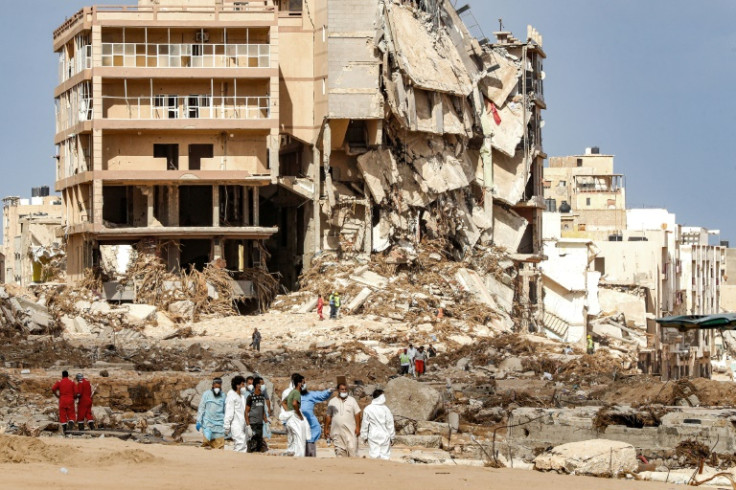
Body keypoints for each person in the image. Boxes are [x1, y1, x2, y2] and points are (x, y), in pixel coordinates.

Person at [325, 383, 362, 457]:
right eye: (342, 389)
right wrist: (326, 429)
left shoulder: (352, 400)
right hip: (337, 433)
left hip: (351, 433)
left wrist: (358, 427)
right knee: (340, 455)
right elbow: (328, 416)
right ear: (338, 390)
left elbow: (357, 413)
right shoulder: (332, 402)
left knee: (353, 454)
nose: (344, 391)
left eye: (345, 389)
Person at [279, 374, 310, 457]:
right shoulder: (296, 393)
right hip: (295, 419)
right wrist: (299, 414)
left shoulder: (291, 392)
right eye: (303, 383)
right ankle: (299, 457)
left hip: (290, 419)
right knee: (300, 440)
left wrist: (289, 411)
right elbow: (294, 403)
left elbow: (283, 402)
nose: (304, 385)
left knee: (294, 440)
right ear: (299, 383)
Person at [360, 389, 395, 460]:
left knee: (374, 455)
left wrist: (364, 436)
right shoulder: (386, 409)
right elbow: (390, 424)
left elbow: (365, 424)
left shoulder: (368, 409)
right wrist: (392, 436)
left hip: (373, 435)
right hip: (385, 435)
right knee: (385, 456)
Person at [300, 384, 334, 457]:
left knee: (310, 442)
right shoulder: (292, 396)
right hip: (298, 424)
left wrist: (329, 391)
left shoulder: (310, 395)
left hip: (310, 425)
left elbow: (321, 395)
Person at [196, 377, 226, 449]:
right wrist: (198, 421)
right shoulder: (206, 394)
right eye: (216, 386)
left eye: (219, 387)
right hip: (208, 424)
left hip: (219, 426)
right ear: (212, 385)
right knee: (206, 444)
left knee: (219, 448)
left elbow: (226, 410)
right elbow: (201, 408)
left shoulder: (224, 396)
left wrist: (227, 424)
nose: (217, 388)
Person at [224, 375, 250, 453]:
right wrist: (226, 426)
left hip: (243, 424)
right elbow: (229, 412)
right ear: (237, 385)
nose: (244, 386)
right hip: (236, 425)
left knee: (244, 445)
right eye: (242, 384)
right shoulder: (232, 397)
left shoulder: (242, 397)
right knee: (240, 444)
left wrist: (248, 425)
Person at [246, 376, 269, 452]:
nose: (262, 386)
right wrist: (248, 426)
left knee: (259, 444)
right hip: (253, 424)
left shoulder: (262, 397)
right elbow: (246, 412)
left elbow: (263, 411)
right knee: (253, 444)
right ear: (256, 385)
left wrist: (266, 423)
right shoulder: (250, 397)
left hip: (260, 424)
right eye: (261, 384)